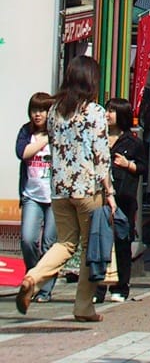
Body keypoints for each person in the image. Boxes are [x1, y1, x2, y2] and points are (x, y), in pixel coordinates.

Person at [16, 56, 116, 322]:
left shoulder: (54, 112)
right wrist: (109, 192)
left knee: (65, 242)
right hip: (87, 189)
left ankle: (33, 277)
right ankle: (84, 306)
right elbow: (101, 156)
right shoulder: (94, 111)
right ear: (90, 80)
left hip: (59, 189)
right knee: (88, 246)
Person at [100, 97, 147, 302]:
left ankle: (121, 286)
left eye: (113, 111)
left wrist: (128, 164)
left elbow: (142, 168)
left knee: (122, 240)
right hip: (99, 197)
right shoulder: (98, 138)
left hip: (124, 197)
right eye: (107, 110)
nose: (108, 114)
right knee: (99, 241)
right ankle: (98, 288)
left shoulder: (133, 142)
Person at [15, 92, 57, 303]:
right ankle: (32, 279)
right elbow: (22, 152)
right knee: (28, 240)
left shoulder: (58, 132)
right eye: (34, 110)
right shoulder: (26, 131)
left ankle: (44, 290)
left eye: (42, 110)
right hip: (31, 195)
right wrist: (42, 142)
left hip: (55, 198)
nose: (37, 114)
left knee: (50, 244)